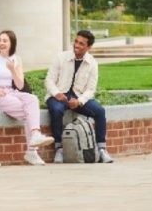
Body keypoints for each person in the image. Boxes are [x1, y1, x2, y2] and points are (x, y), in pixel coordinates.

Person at [0, 30, 55, 165]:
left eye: (5, 41)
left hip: (12, 93)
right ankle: (32, 150)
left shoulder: (16, 59)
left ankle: (35, 137)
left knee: (32, 99)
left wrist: (12, 69)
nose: (1, 43)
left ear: (11, 43)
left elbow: (20, 85)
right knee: (29, 113)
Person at [44, 30, 113, 164]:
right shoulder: (61, 57)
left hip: (78, 96)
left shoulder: (92, 63)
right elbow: (49, 80)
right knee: (57, 110)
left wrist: (80, 101)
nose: (77, 45)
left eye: (81, 43)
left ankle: (101, 149)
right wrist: (57, 93)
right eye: (76, 41)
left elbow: (91, 89)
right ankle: (59, 149)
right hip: (59, 94)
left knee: (100, 111)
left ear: (88, 47)